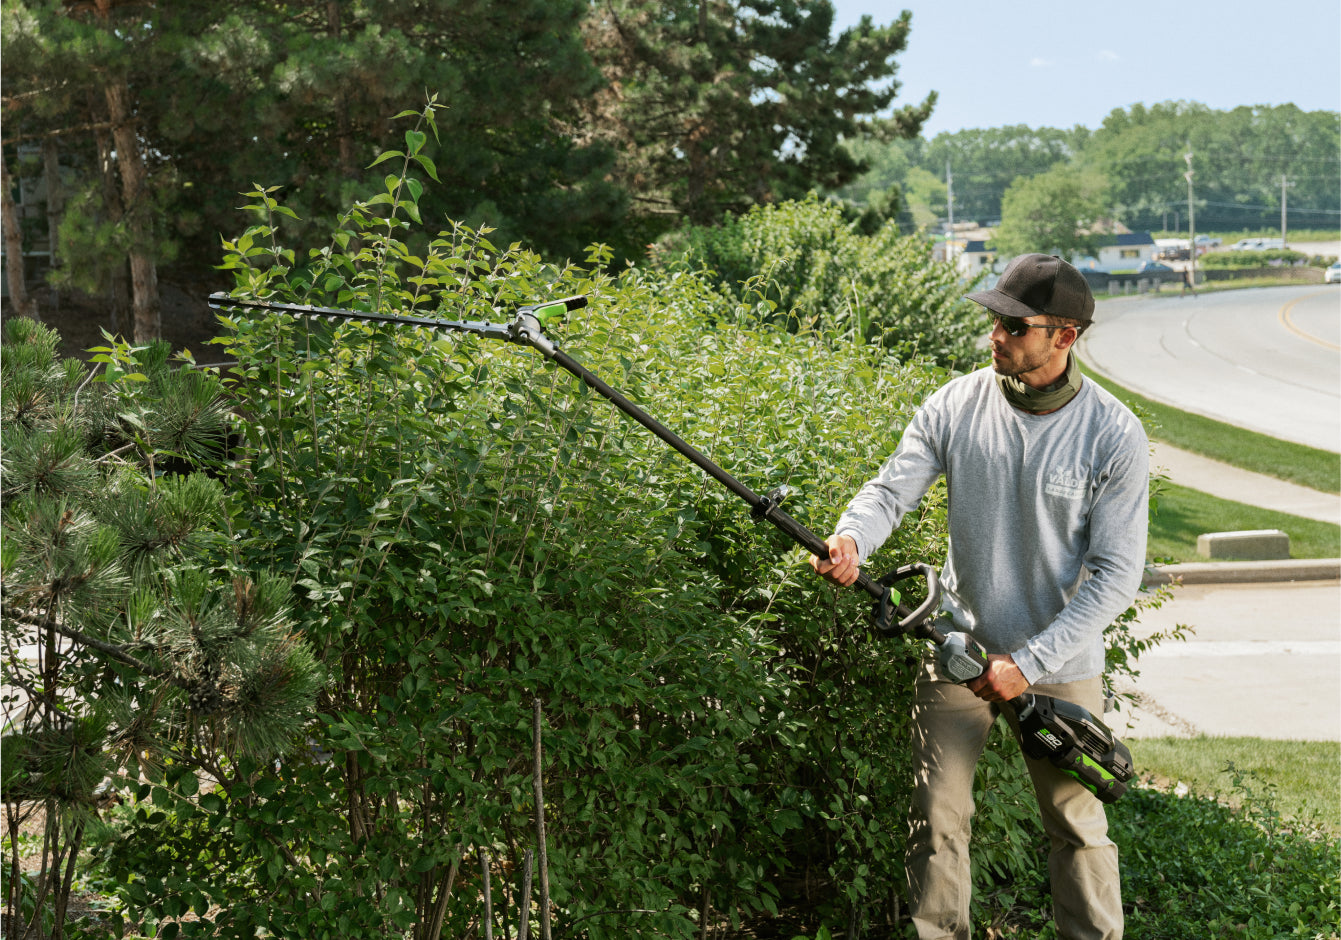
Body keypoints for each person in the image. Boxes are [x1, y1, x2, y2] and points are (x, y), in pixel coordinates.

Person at [809, 253, 1148, 940]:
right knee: (935, 818)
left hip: (1058, 665)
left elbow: (1115, 574)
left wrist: (1028, 661)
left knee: (1076, 827)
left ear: (1064, 337)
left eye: (1014, 327)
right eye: (994, 321)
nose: (996, 337)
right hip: (955, 646)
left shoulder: (1112, 434)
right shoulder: (955, 404)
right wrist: (851, 540)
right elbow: (889, 490)